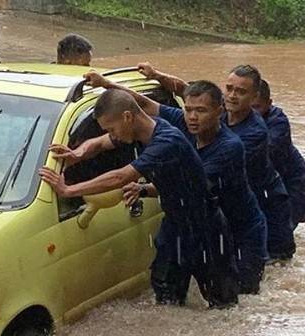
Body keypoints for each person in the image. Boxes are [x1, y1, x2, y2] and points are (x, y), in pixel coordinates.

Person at [39, 88, 239, 308]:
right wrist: (78, 153)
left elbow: (120, 176)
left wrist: (68, 190)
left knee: (223, 306)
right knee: (165, 297)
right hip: (175, 225)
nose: (112, 134)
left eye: (112, 128)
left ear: (127, 117)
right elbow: (98, 143)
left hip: (206, 228)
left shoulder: (166, 141)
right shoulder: (134, 132)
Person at [87, 74, 267, 295]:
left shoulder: (231, 147)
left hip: (239, 227)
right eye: (188, 109)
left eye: (201, 111)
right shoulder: (184, 122)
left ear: (220, 112)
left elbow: (191, 183)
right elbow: (142, 106)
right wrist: (107, 84)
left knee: (238, 295)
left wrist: (143, 188)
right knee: (170, 291)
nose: (192, 116)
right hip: (199, 219)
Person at [138, 63, 296, 261]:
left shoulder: (253, 133)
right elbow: (185, 90)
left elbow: (199, 178)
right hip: (230, 209)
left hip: (265, 206)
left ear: (254, 96)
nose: (232, 95)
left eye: (240, 91)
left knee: (275, 267)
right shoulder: (214, 114)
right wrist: (155, 76)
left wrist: (145, 188)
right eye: (229, 89)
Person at [253, 79, 305, 228]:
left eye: (257, 107)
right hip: (271, 183)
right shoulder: (235, 113)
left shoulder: (277, 122)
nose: (251, 113)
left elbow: (259, 154)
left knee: (280, 234)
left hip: (292, 184)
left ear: (269, 104)